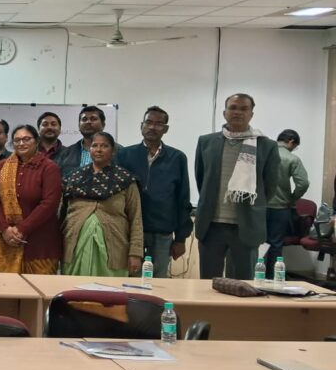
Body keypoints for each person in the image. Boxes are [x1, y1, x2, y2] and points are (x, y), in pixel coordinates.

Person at [195, 93, 281, 280]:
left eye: (244, 109)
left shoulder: (266, 146)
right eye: (233, 108)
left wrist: (253, 205)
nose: (238, 112)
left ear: (251, 114)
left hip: (246, 226)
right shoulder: (206, 142)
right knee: (208, 284)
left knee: (243, 284)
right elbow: (201, 179)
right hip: (211, 226)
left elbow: (270, 187)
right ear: (224, 112)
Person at [116, 106, 193, 278]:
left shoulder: (177, 158)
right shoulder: (124, 155)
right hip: (130, 231)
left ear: (166, 129)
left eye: (158, 124)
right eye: (148, 122)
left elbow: (182, 199)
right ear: (141, 125)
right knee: (129, 280)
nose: (152, 127)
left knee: (157, 282)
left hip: (162, 232)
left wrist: (180, 239)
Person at [62, 132, 143, 277]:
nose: (99, 150)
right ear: (89, 149)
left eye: (104, 146)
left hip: (115, 248)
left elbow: (136, 218)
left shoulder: (125, 180)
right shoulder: (74, 178)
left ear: (113, 150)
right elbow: (60, 215)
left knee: (110, 289)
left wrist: (135, 253)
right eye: (95, 146)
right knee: (74, 288)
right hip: (74, 247)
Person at [0, 125, 63, 274]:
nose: (21, 143)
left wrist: (22, 229)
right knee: (6, 286)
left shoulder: (49, 168)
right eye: (17, 140)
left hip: (40, 242)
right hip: (6, 239)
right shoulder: (2, 167)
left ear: (37, 141)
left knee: (40, 287)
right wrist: (5, 229)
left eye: (26, 139)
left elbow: (49, 203)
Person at [265, 129, 309, 278]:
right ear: (291, 141)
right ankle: (272, 279)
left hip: (258, 207)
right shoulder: (292, 158)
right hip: (280, 208)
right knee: (276, 244)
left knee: (256, 243)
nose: (293, 149)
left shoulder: (263, 153)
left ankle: (254, 277)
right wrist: (291, 198)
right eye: (294, 146)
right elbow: (303, 183)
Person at [57, 106, 104, 177]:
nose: (88, 122)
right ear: (79, 126)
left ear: (103, 124)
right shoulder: (66, 154)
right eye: (84, 119)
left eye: (93, 119)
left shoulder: (118, 151)